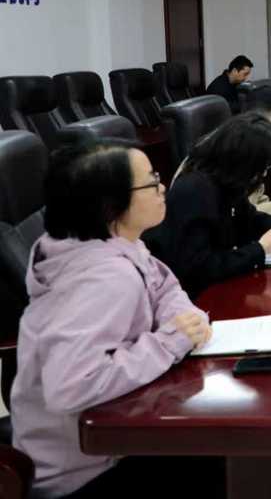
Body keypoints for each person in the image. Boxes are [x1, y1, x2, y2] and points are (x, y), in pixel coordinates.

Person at [12, 140, 221, 498]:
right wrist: (169, 342)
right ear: (110, 204)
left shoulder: (106, 243)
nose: (162, 189)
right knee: (230, 456)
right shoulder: (104, 278)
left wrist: (181, 318)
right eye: (151, 182)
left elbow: (162, 285)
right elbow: (70, 386)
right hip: (84, 471)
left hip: (116, 432)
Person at [144, 115, 271, 297]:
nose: (264, 174)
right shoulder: (194, 191)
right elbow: (199, 268)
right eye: (263, 166)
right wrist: (261, 249)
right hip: (192, 296)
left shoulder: (228, 181)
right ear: (244, 161)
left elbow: (249, 218)